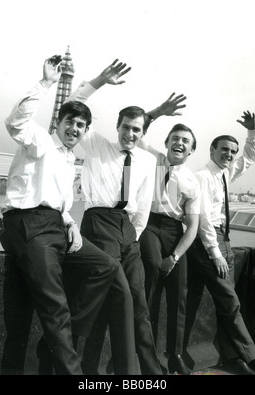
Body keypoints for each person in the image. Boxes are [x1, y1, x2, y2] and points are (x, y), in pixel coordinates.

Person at [0, 55, 138, 375]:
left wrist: (72, 224)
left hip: (54, 227)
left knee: (105, 266)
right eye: (69, 122)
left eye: (81, 125)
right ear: (57, 124)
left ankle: (58, 341)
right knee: (52, 310)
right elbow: (15, 122)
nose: (74, 128)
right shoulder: (39, 143)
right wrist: (48, 82)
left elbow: (60, 204)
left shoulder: (68, 160)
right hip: (28, 225)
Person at [64, 71, 163, 375]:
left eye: (136, 130)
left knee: (138, 301)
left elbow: (144, 204)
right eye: (125, 128)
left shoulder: (147, 161)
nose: (129, 134)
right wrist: (99, 81)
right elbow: (72, 105)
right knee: (119, 295)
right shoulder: (96, 146)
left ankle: (150, 372)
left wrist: (133, 235)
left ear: (142, 132)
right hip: (99, 222)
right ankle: (113, 371)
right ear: (116, 126)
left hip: (128, 230)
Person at [186, 111, 255, 375]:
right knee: (231, 303)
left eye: (231, 151)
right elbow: (202, 219)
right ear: (212, 150)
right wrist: (216, 253)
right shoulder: (203, 176)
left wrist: (253, 132)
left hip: (224, 241)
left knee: (227, 304)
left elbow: (247, 158)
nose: (229, 155)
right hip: (209, 244)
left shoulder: (224, 173)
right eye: (224, 149)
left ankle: (233, 357)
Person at [138, 95, 200, 374]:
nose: (180, 143)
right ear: (166, 143)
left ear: (191, 151)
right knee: (150, 271)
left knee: (179, 292)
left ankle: (175, 355)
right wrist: (158, 112)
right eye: (175, 138)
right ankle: (143, 354)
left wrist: (174, 256)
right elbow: (139, 129)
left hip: (175, 233)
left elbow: (193, 226)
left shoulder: (191, 181)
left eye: (186, 141)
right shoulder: (152, 158)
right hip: (148, 224)